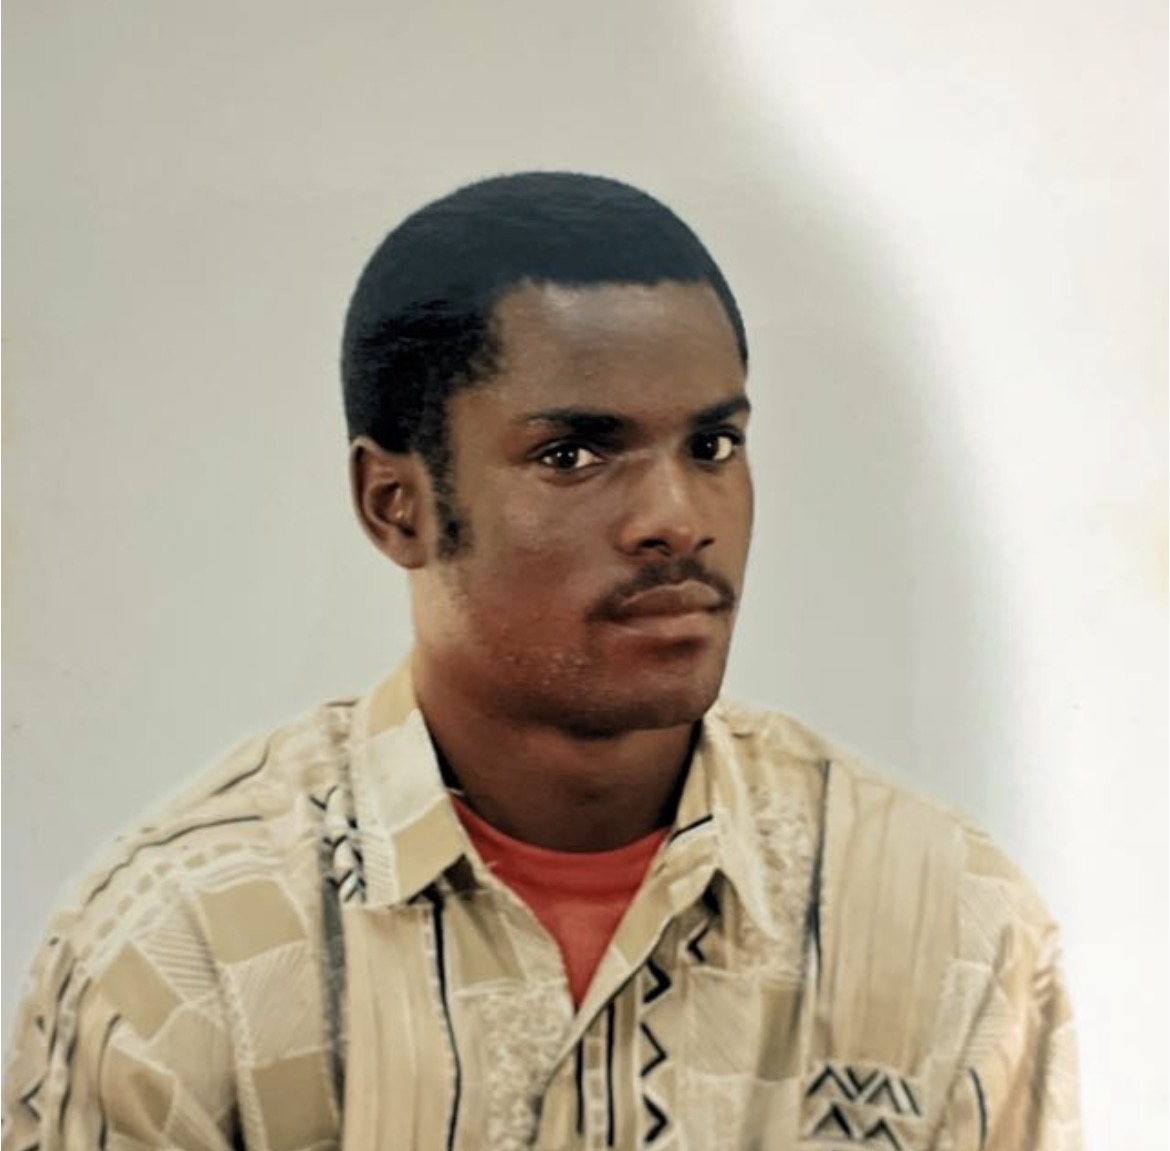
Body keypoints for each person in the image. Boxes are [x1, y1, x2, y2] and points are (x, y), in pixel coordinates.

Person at [2, 172, 1081, 1150]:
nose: (678, 518)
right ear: (396, 503)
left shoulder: (946, 921)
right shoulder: (187, 953)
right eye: (573, 454)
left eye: (713, 445)